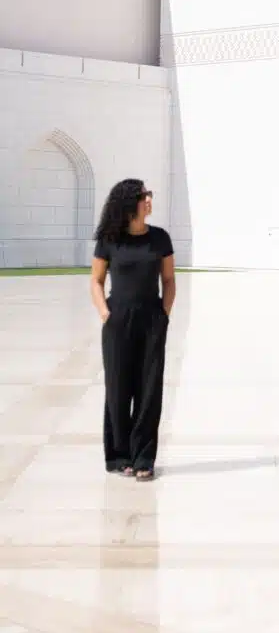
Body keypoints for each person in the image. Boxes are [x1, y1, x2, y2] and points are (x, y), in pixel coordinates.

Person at [90, 179, 175, 482]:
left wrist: (163, 313)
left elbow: (168, 281)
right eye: (143, 196)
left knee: (149, 390)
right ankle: (119, 455)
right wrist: (104, 313)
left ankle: (144, 459)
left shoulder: (160, 238)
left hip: (152, 321)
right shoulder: (110, 240)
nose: (149, 199)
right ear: (129, 204)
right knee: (118, 388)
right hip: (117, 323)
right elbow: (96, 281)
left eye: (149, 194)